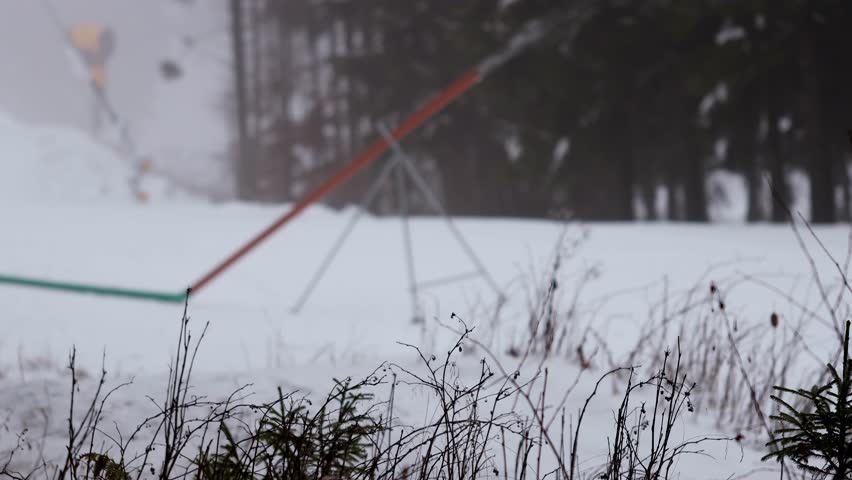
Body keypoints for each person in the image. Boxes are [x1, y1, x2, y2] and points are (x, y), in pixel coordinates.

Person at [68, 25, 115, 135]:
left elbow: (98, 64)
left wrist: (99, 85)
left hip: (94, 76)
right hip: (90, 74)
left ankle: (97, 128)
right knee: (94, 102)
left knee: (96, 103)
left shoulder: (99, 46)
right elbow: (95, 61)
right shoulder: (90, 39)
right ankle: (96, 128)